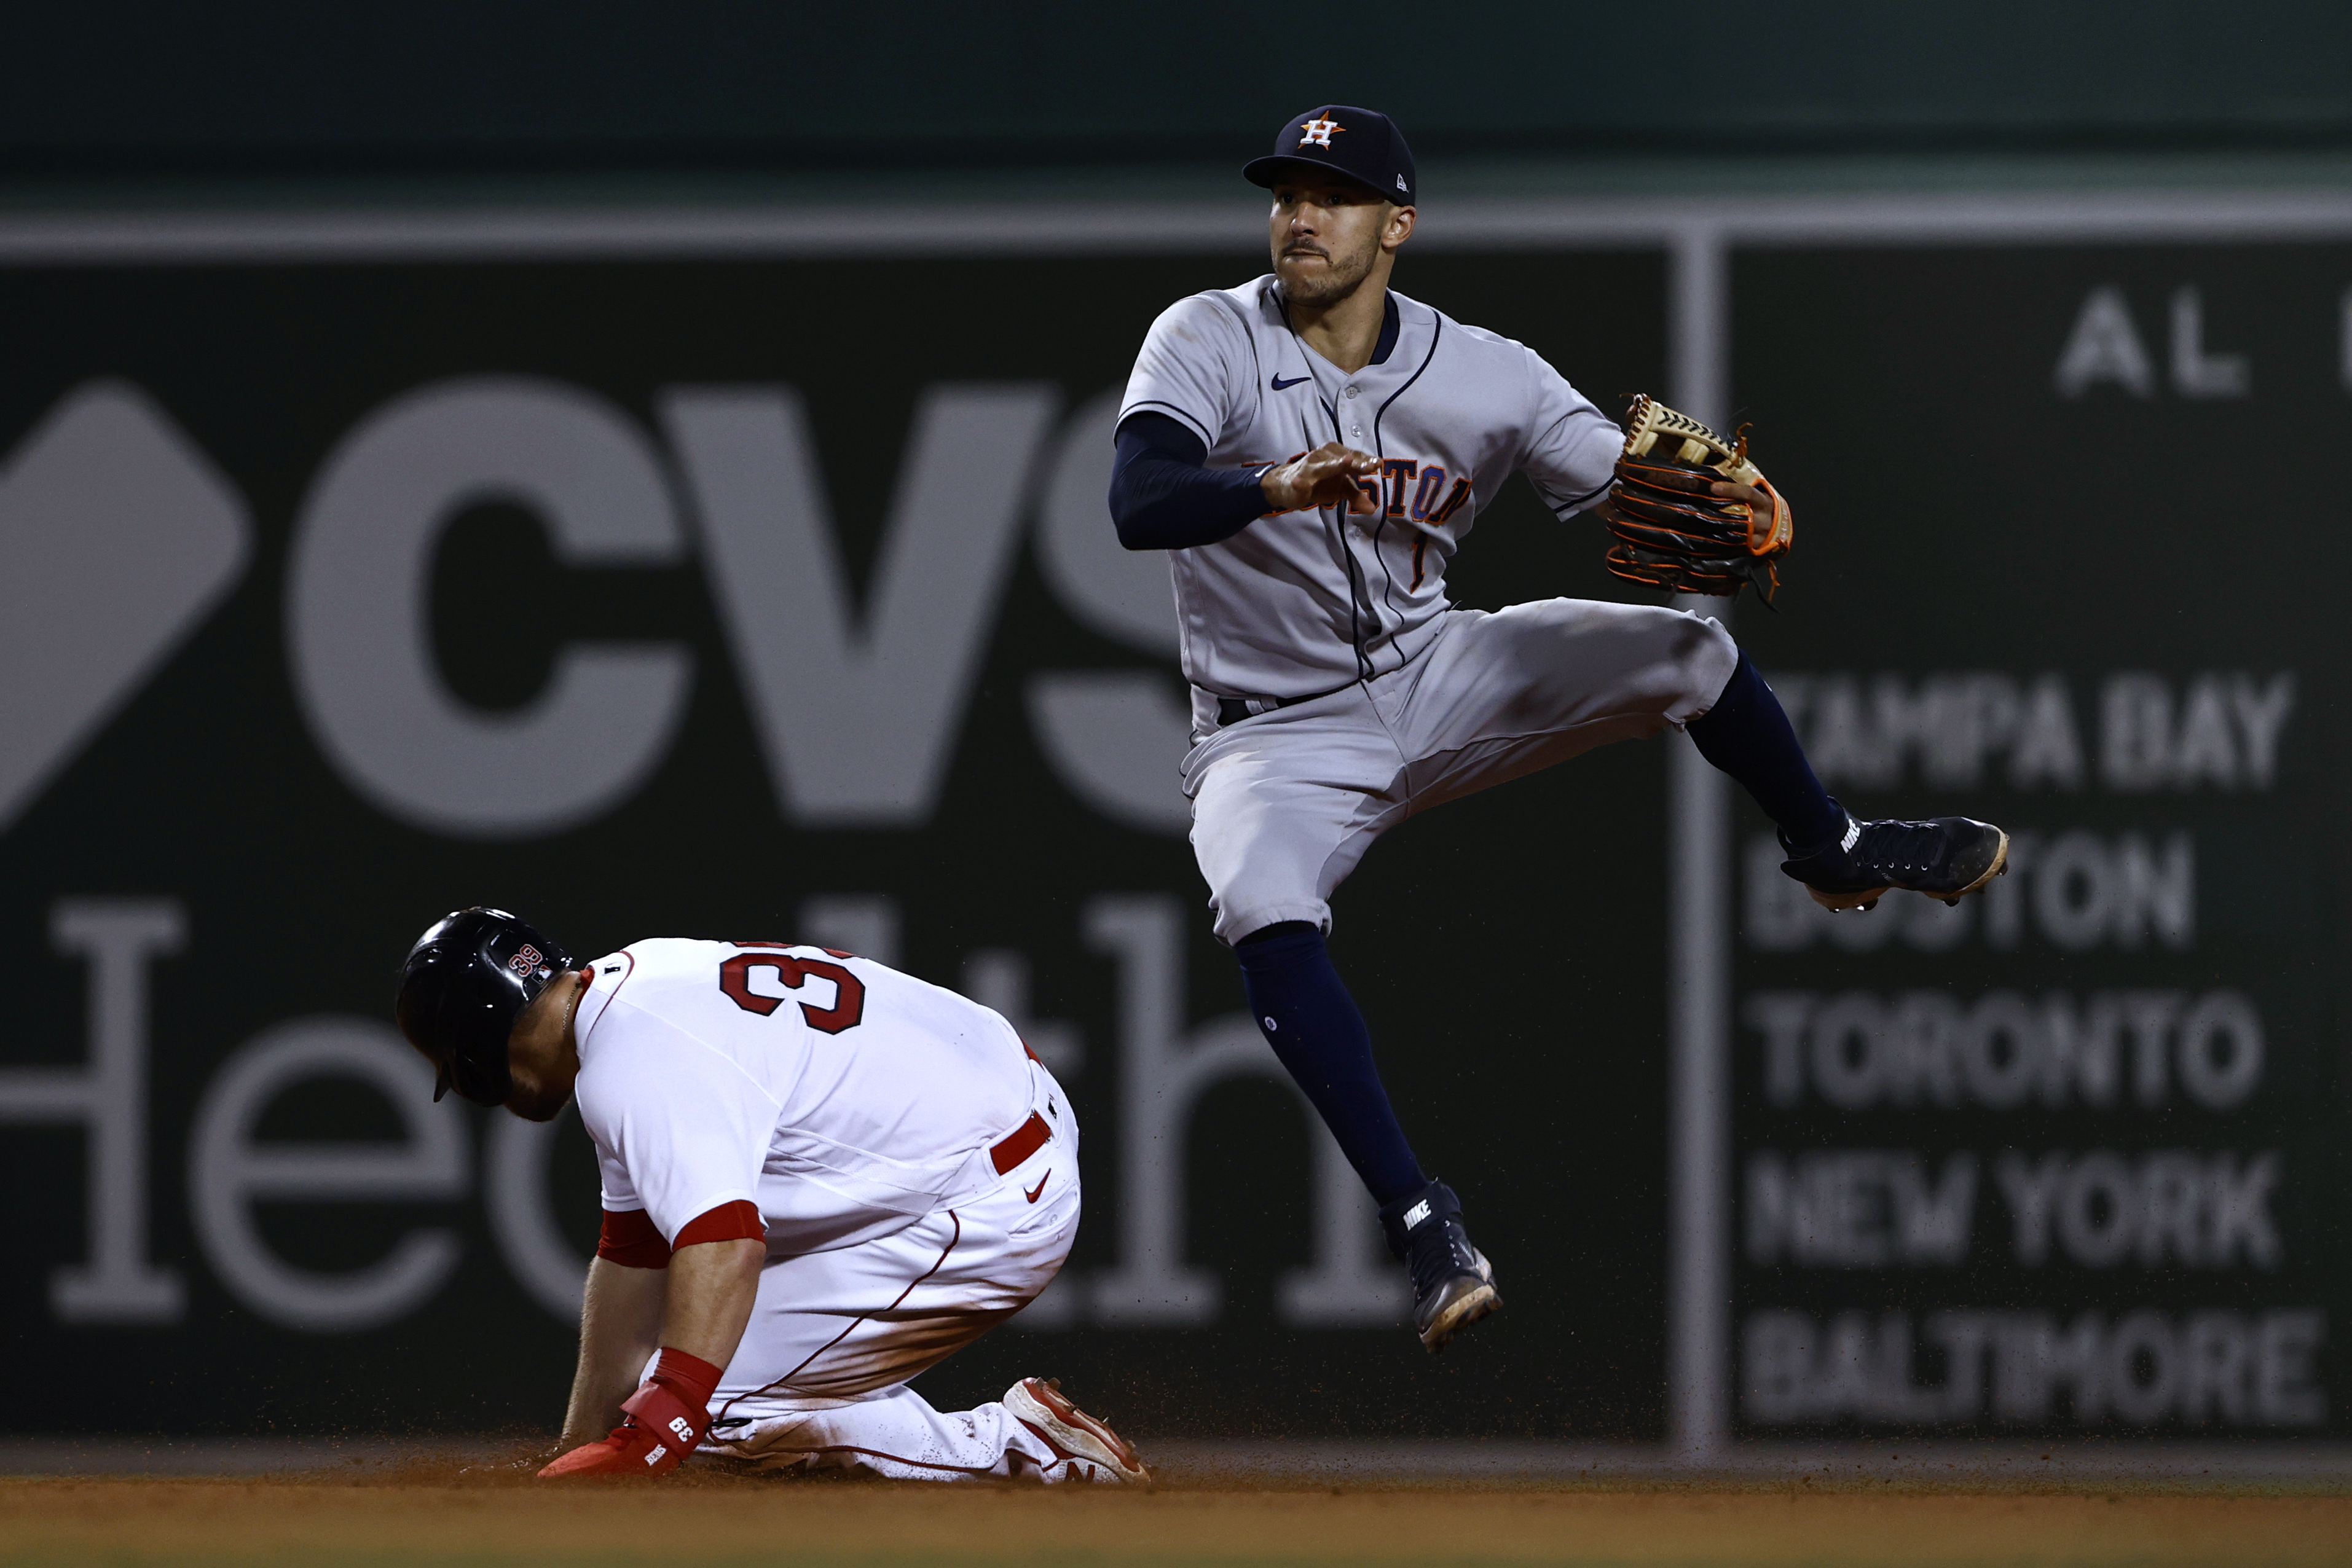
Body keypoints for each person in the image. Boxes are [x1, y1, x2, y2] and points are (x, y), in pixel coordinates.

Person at [1109, 105, 2007, 1353]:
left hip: (1434, 671)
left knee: (1685, 649)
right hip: (1270, 737)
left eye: (1334, 195)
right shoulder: (1204, 336)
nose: (1299, 217)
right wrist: (1266, 482)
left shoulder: (1487, 371)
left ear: (1396, 225)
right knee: (1261, 903)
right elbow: (1137, 498)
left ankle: (1831, 846)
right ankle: (1424, 1222)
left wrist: (1712, 491)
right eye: (1284, 193)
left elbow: (1618, 480)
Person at [394, 907, 1149, 1483]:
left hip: (994, 1198)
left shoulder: (628, 1064)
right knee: (692, 1363)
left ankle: (1026, 1452)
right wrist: (584, 1443)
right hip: (994, 1128)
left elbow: (725, 1241)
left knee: (717, 1409)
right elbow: (634, 1259)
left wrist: (664, 1421)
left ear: (476, 1049)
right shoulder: (632, 987)